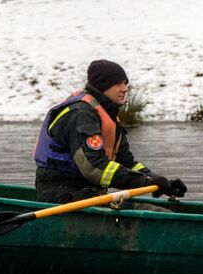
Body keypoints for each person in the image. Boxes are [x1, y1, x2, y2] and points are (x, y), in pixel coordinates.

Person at [34, 59, 187, 205]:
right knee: (154, 212)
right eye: (118, 83)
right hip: (61, 195)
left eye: (126, 83)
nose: (125, 89)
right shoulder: (82, 114)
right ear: (103, 86)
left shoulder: (108, 115)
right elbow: (93, 167)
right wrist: (144, 182)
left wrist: (160, 181)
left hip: (85, 194)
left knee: (154, 210)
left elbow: (126, 162)